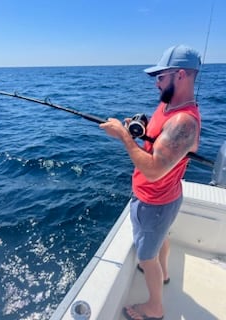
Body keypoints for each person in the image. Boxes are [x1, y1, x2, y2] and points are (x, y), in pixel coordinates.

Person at [100, 44, 201, 320]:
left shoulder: (184, 121)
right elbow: (157, 141)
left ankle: (154, 308)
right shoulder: (169, 105)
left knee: (146, 257)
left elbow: (155, 170)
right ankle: (164, 273)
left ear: (180, 75)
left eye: (160, 76)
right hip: (163, 199)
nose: (156, 83)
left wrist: (124, 137)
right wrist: (140, 129)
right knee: (161, 240)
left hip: (155, 202)